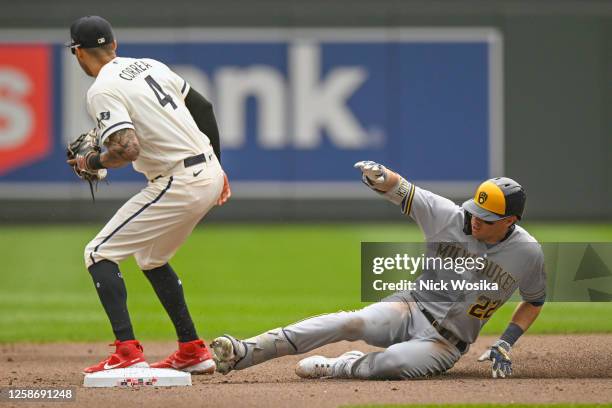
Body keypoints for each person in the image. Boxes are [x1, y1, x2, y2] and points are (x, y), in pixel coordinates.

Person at [211, 161, 546, 380]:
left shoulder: (527, 253)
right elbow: (405, 191)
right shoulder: (449, 217)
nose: (474, 220)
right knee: (352, 321)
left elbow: (534, 299)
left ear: (509, 221)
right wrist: (382, 177)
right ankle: (245, 351)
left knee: (393, 363)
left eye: (485, 218)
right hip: (410, 306)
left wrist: (507, 341)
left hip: (446, 344)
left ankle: (341, 366)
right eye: (474, 210)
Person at [66, 15, 231, 374]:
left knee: (98, 252)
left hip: (179, 181)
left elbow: (126, 149)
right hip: (207, 172)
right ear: (114, 45)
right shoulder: (148, 65)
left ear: (78, 53)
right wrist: (219, 168)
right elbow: (203, 107)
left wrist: (92, 160)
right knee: (151, 257)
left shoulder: (101, 90)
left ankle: (127, 352)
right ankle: (191, 349)